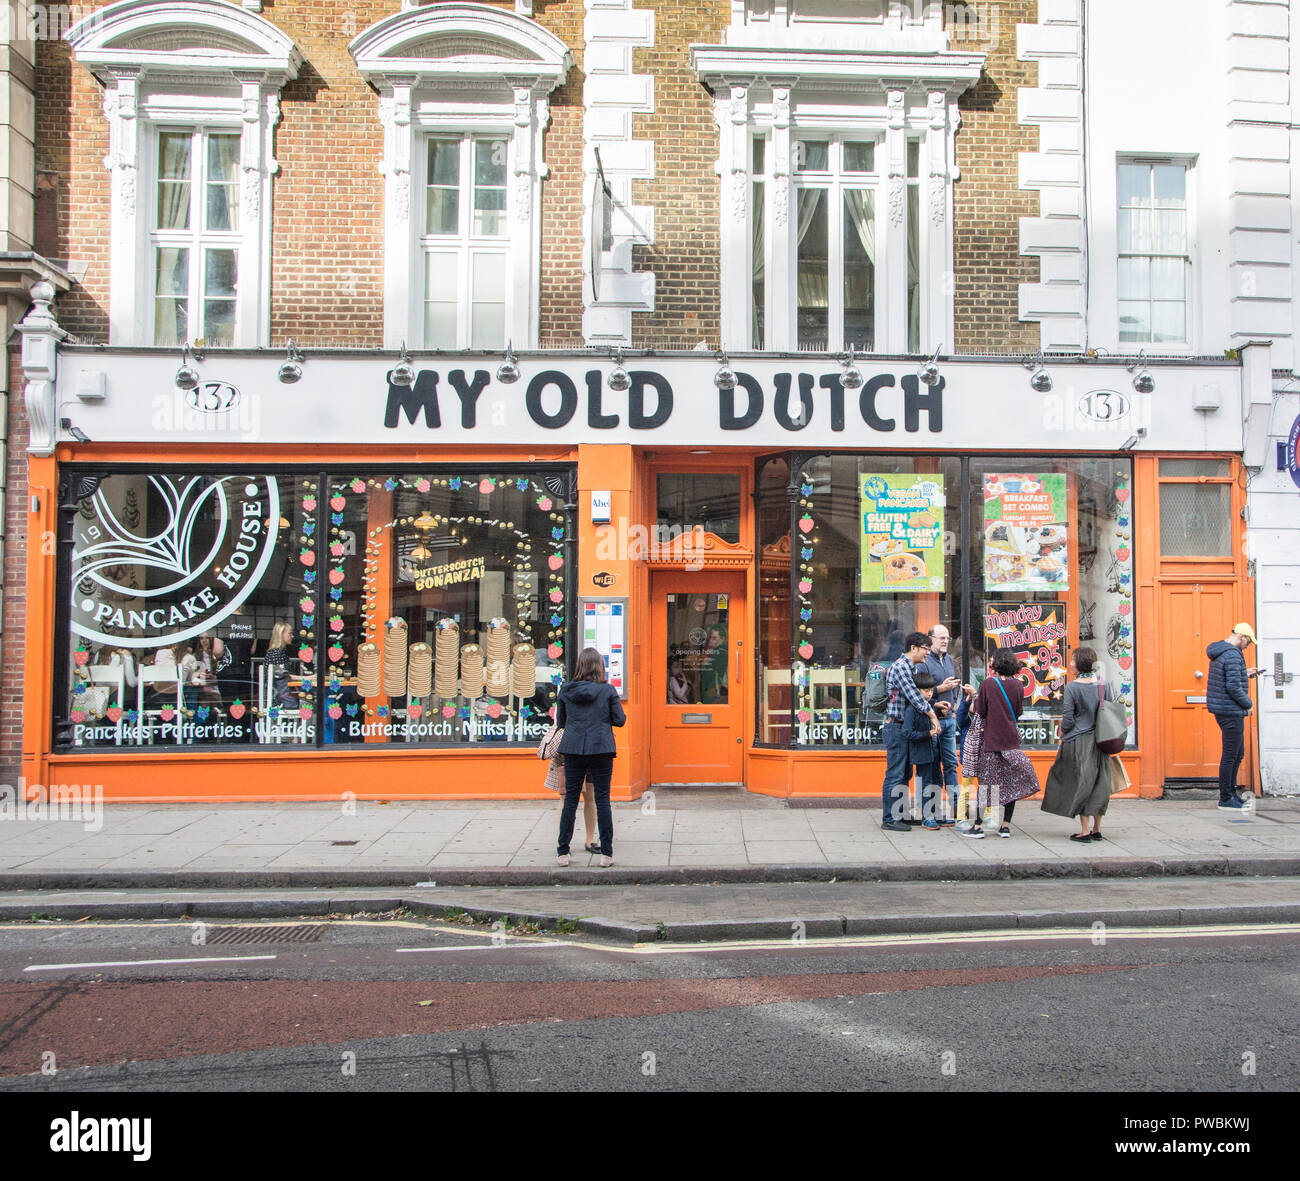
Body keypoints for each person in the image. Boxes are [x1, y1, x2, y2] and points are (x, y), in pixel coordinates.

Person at [555, 647, 626, 866]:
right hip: (601, 747)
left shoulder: (566, 689)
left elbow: (561, 723)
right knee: (602, 799)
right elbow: (620, 720)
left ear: (579, 666)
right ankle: (606, 854)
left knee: (570, 799)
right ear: (600, 667)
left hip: (574, 747)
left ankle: (563, 852)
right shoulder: (607, 691)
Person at [963, 647, 1040, 838]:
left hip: (991, 741)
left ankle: (978, 827)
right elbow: (1019, 711)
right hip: (1011, 740)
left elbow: (980, 711)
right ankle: (1005, 826)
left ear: (995, 663)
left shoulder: (988, 684)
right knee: (1010, 783)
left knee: (986, 784)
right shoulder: (1018, 685)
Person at [1041, 646, 1115, 841]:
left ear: (1080, 663)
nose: (1070, 664)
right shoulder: (1103, 685)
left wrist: (1061, 735)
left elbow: (1068, 719)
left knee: (1083, 782)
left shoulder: (1073, 687)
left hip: (1079, 741)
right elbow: (1110, 710)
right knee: (1100, 782)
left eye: (1073, 660)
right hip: (1101, 741)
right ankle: (1097, 829)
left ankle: (1084, 831)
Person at [880, 631, 941, 833]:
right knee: (895, 774)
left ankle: (901, 815)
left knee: (904, 773)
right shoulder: (900, 667)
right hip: (895, 727)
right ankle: (889, 818)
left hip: (900, 727)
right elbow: (915, 697)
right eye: (925, 649)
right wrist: (932, 715)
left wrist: (934, 704)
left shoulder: (910, 667)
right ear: (913, 648)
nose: (927, 653)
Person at [1206, 622, 1260, 811]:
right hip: (1231, 711)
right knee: (1231, 755)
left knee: (1237, 754)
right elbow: (1233, 687)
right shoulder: (1232, 655)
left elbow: (1227, 678)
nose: (1248, 646)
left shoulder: (1221, 651)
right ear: (1241, 637)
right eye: (1248, 642)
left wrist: (1245, 674)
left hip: (1224, 709)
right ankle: (1226, 798)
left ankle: (1231, 794)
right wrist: (1249, 703)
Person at [924, 623, 968, 825]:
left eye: (947, 638)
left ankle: (958, 812)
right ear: (931, 639)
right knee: (932, 767)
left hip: (949, 721)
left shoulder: (949, 659)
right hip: (932, 721)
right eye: (941, 638)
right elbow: (921, 693)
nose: (945, 641)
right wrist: (941, 689)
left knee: (950, 765)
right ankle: (931, 814)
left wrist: (956, 702)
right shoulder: (924, 662)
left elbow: (955, 685)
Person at [904, 670, 942, 829]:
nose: (929, 694)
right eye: (926, 691)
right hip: (922, 751)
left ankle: (935, 813)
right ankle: (927, 816)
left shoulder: (930, 705)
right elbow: (907, 732)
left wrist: (939, 708)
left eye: (931, 691)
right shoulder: (912, 709)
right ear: (916, 691)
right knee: (926, 783)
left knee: (937, 780)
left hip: (933, 750)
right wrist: (928, 733)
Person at [953, 681, 978, 832]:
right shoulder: (966, 720)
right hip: (968, 756)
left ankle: (987, 816)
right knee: (966, 787)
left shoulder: (983, 718)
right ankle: (961, 817)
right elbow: (960, 716)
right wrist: (968, 698)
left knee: (986, 786)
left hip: (983, 755)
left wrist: (974, 696)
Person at [264, 622, 299, 709]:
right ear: (281, 634)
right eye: (290, 633)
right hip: (280, 698)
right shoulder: (276, 653)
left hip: (281, 695)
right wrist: (308, 678)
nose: (292, 636)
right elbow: (283, 676)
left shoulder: (280, 652)